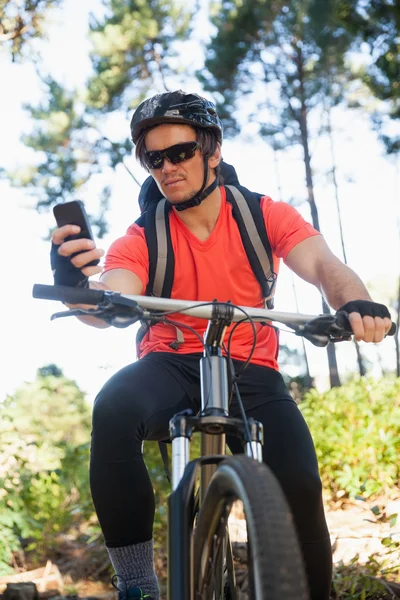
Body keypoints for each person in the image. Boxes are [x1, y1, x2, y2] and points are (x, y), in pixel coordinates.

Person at [50, 90, 392, 600]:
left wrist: (357, 303)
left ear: (213, 152)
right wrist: (78, 290)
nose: (166, 168)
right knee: (114, 407)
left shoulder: (261, 215)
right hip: (171, 363)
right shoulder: (143, 236)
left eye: (180, 153)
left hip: (251, 366)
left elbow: (325, 267)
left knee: (299, 482)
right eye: (154, 158)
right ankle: (138, 584)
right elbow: (113, 296)